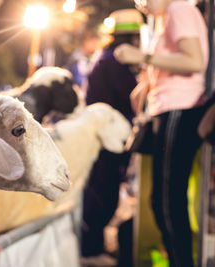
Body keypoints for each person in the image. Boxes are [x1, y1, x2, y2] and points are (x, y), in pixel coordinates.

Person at [114, 1, 208, 266]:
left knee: (167, 202)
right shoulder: (166, 16)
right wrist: (148, 84)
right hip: (169, 110)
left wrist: (141, 57)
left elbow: (194, 61)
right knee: (164, 201)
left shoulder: (179, 9)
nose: (140, 3)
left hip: (180, 109)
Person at [81, 9, 143, 266]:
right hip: (107, 142)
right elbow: (131, 97)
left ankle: (92, 246)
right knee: (102, 194)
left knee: (101, 191)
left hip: (103, 139)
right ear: (132, 38)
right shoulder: (114, 63)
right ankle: (91, 250)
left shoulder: (105, 59)